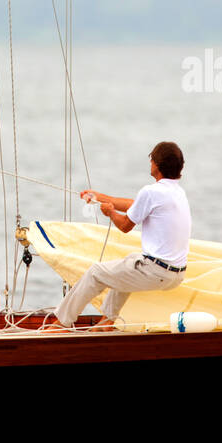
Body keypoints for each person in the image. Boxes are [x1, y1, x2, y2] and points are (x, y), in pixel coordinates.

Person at [48, 141, 191, 332]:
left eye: (151, 160)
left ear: (156, 164)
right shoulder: (177, 192)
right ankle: (107, 322)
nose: (150, 163)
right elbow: (135, 204)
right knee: (130, 261)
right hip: (177, 274)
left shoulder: (151, 192)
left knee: (95, 273)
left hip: (157, 272)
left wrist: (110, 213)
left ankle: (62, 324)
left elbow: (124, 226)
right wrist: (100, 197)